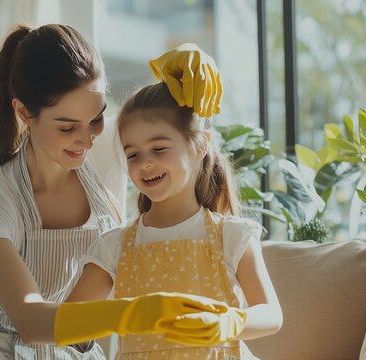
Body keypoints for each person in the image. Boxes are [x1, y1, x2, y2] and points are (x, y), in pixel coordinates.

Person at [0, 24, 224, 359]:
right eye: (68, 127)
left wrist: (192, 70)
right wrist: (137, 313)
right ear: (24, 112)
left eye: (97, 118)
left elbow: (182, 138)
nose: (86, 139)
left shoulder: (106, 147)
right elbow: (32, 322)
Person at [65, 77, 283, 358]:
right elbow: (69, 324)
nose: (145, 163)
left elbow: (271, 315)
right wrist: (127, 315)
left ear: (201, 145)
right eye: (132, 154)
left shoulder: (231, 235)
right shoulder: (115, 246)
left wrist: (228, 322)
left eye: (159, 148)